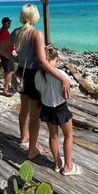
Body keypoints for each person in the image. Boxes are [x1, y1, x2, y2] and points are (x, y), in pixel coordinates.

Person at [0, 3, 70, 160]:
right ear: (35, 16)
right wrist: (63, 78)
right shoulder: (36, 33)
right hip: (33, 77)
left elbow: (2, 49)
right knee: (35, 115)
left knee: (24, 109)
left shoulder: (16, 32)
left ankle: (23, 137)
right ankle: (32, 150)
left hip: (20, 74)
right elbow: (43, 62)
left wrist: (17, 59)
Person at [35, 46, 82, 176]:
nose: (58, 62)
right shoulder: (62, 75)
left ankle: (57, 163)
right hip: (60, 108)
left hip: (47, 108)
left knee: (53, 136)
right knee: (68, 135)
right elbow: (66, 95)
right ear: (54, 60)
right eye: (57, 60)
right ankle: (68, 166)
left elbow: (39, 92)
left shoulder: (38, 74)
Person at [0, 17, 15, 96]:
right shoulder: (3, 31)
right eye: (9, 23)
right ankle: (5, 90)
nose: (10, 24)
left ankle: (9, 86)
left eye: (10, 22)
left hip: (8, 54)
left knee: (11, 71)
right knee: (8, 71)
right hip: (6, 54)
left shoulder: (5, 31)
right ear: (4, 23)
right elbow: (4, 44)